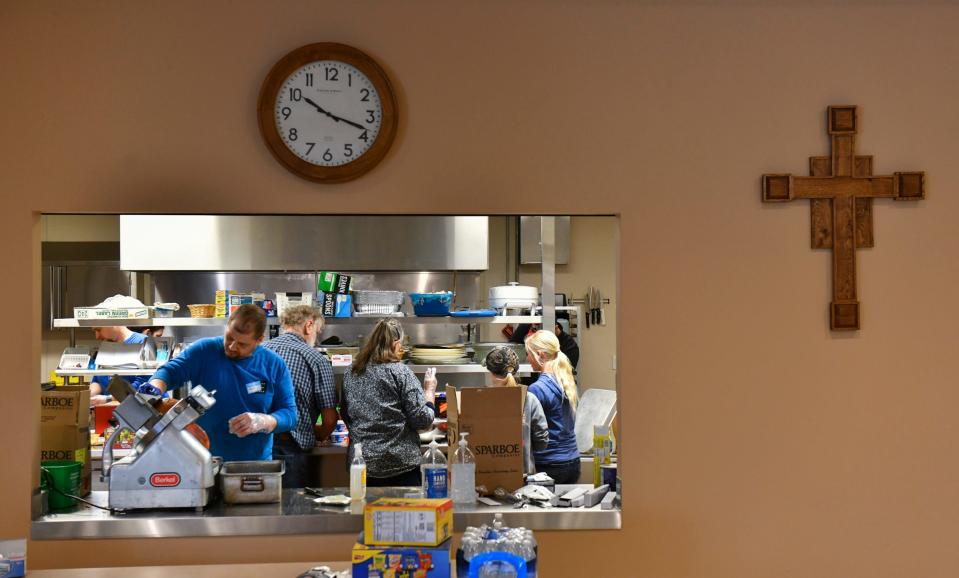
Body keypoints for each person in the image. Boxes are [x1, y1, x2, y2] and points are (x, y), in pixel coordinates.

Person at [144, 304, 297, 462]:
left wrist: (263, 421)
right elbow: (169, 372)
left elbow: (290, 414)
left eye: (242, 344)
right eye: (229, 337)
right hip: (202, 461)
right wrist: (153, 389)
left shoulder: (274, 364)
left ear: (259, 340)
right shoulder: (205, 350)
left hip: (253, 464)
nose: (231, 347)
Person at [341, 319, 436, 487]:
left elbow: (346, 413)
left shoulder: (351, 371)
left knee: (365, 512)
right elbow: (422, 421)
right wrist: (429, 391)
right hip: (400, 466)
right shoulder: (401, 372)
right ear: (396, 344)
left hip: (362, 465)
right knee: (403, 513)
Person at [264, 304, 338, 488]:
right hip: (289, 446)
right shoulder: (316, 359)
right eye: (318, 332)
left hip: (254, 445)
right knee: (291, 509)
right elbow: (329, 419)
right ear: (309, 325)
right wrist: (319, 435)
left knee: (261, 508)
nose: (316, 337)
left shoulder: (260, 351)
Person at [524, 330, 581, 484]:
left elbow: (529, 431)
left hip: (549, 465)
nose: (527, 358)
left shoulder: (537, 389)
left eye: (528, 353)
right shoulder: (566, 382)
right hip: (573, 462)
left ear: (540, 355)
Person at [484, 346, 549, 475]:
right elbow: (542, 442)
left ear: (490, 373)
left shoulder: (482, 400)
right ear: (515, 372)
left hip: (489, 475)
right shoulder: (529, 399)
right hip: (523, 475)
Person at [89, 325, 147, 406]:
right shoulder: (106, 345)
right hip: (110, 410)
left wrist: (108, 399)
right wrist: (88, 397)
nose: (97, 336)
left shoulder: (142, 342)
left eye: (99, 329)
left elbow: (143, 385)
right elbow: (98, 380)